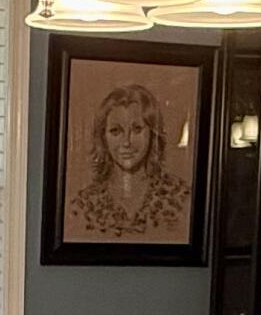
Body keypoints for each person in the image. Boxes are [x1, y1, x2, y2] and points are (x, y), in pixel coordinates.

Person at [71, 80, 191, 240]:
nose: (126, 142)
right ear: (103, 138)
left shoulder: (181, 198)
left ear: (152, 134)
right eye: (116, 131)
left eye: (137, 129)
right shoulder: (83, 206)